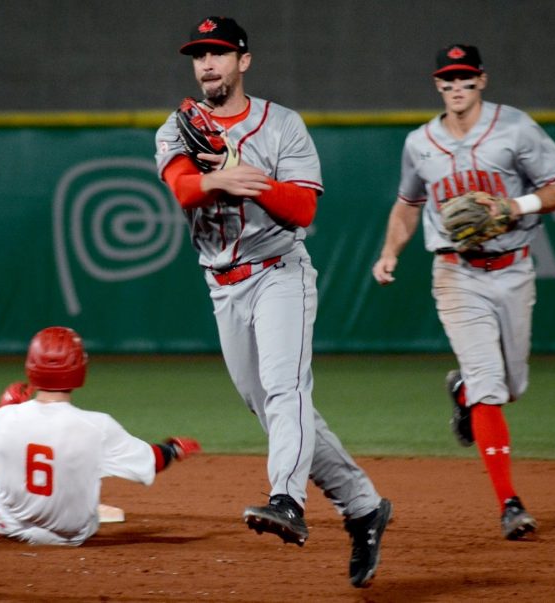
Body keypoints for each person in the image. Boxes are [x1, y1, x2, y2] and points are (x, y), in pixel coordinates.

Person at [155, 16, 391, 588]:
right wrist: (218, 178)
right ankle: (363, 505)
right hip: (223, 285)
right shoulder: (178, 127)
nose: (207, 63)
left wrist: (245, 175)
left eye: (218, 53)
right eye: (199, 54)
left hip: (281, 272)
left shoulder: (282, 125)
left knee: (288, 391)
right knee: (272, 409)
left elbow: (303, 210)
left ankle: (287, 500)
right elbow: (184, 187)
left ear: (244, 61)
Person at [372, 44, 555, 540]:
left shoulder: (515, 128)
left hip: (513, 269)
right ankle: (510, 502)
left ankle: (461, 390)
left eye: (465, 78)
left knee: (511, 387)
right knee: (490, 385)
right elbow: (406, 205)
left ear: (481, 80)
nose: (456, 87)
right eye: (447, 79)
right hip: (456, 272)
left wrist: (513, 207)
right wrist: (390, 251)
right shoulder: (420, 143)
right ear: (437, 85)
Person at [0, 326, 201, 545]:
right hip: (70, 537)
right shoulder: (98, 427)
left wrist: (1, 410)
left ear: (31, 366)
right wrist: (173, 449)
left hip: (8, 529)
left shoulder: (6, 417)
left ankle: (4, 525)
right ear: (79, 368)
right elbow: (152, 460)